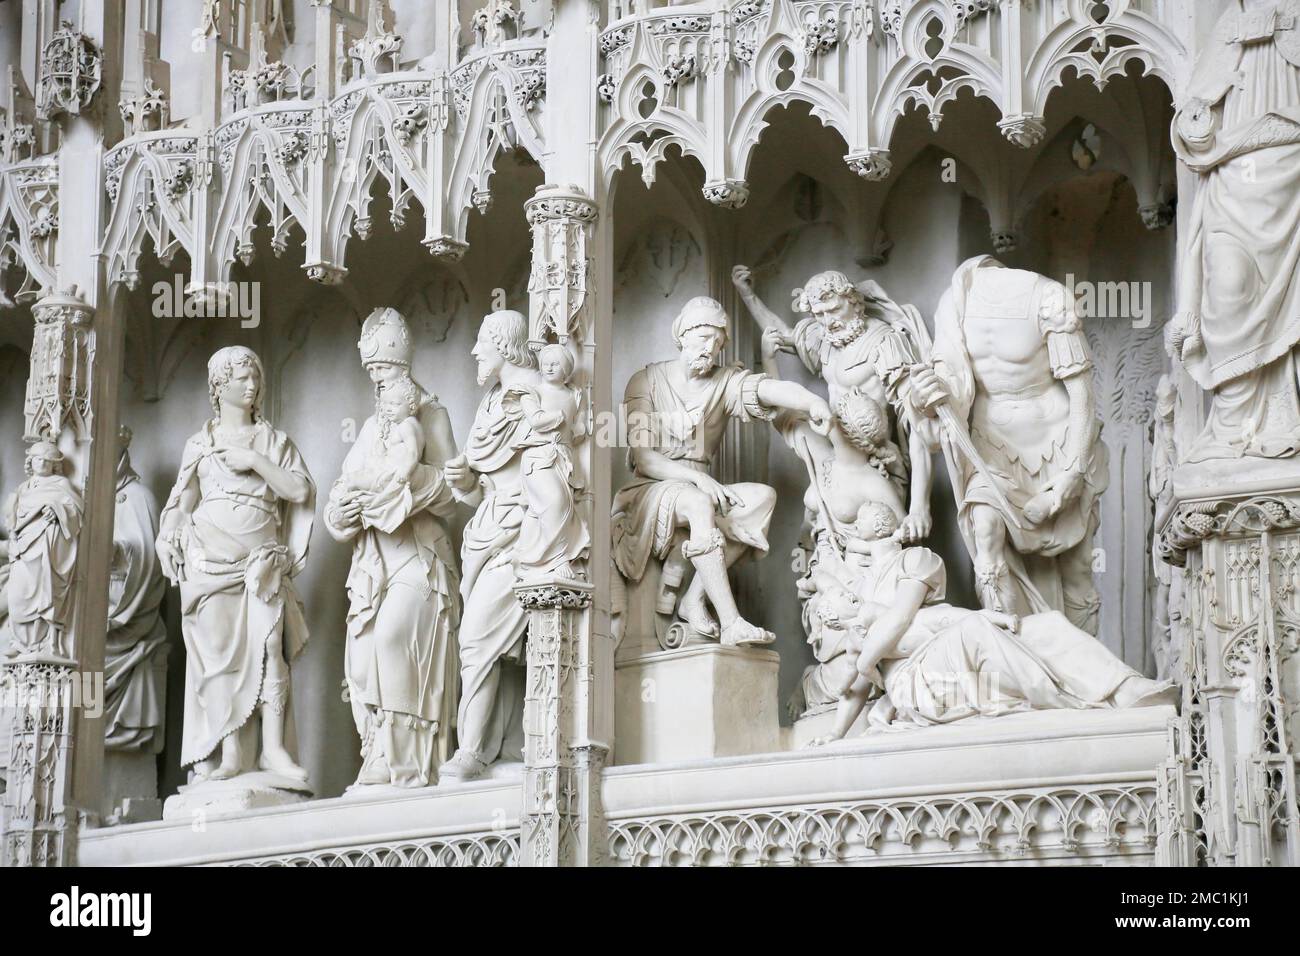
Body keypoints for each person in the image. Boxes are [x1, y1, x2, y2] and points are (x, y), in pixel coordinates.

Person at [613, 296, 833, 647]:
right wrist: (698, 477)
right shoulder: (645, 381)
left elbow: (768, 389)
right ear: (682, 334)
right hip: (653, 488)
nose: (710, 349)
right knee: (700, 503)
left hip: (701, 486)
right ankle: (732, 622)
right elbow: (644, 459)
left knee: (761, 498)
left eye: (717, 342)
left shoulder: (724, 381)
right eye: (703, 338)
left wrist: (812, 402)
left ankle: (694, 599)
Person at [157, 346, 315, 784]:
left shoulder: (274, 442)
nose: (252, 385)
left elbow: (300, 493)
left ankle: (274, 750)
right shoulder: (201, 444)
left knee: (269, 649)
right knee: (220, 655)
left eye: (255, 377)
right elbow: (181, 505)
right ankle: (229, 752)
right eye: (242, 378)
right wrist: (167, 534)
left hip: (260, 560)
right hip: (210, 560)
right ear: (218, 386)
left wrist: (255, 462)